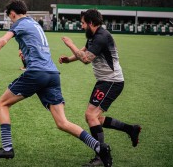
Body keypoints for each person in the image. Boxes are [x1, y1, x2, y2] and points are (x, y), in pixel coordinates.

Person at [0, 0, 112, 167]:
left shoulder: (20, 23)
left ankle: (7, 148)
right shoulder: (33, 23)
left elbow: (3, 41)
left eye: (10, 17)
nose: (11, 21)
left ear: (13, 14)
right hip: (52, 74)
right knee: (62, 122)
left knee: (2, 103)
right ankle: (99, 147)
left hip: (37, 73)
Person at [59, 9, 141, 166]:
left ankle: (101, 155)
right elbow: (84, 51)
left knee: (91, 116)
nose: (81, 26)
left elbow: (86, 59)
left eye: (83, 23)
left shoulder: (102, 37)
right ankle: (131, 129)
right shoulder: (93, 36)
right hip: (104, 81)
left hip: (112, 81)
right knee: (93, 117)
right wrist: (69, 59)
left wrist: (70, 45)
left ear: (90, 23)